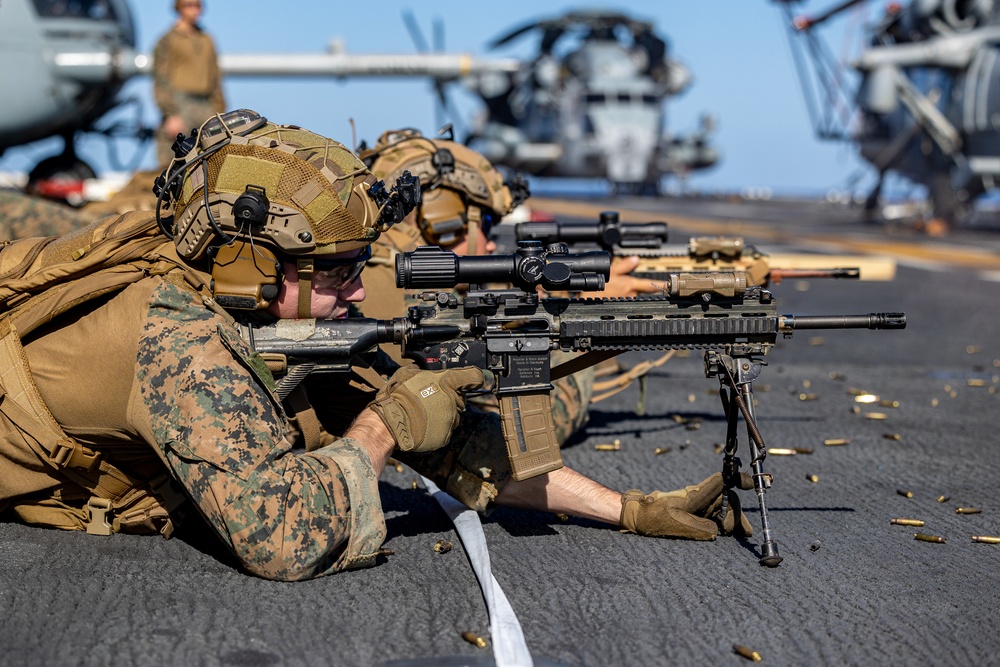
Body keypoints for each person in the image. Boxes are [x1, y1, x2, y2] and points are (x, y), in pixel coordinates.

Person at [0, 110, 751, 582]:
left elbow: (452, 449)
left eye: (360, 267)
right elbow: (282, 538)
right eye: (337, 272)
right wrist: (384, 424)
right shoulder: (178, 340)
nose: (360, 289)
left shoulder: (247, 311)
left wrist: (629, 509)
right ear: (252, 264)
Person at [361, 128, 661, 443]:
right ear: (439, 223)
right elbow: (510, 427)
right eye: (486, 225)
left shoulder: (375, 271)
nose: (491, 245)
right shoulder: (396, 295)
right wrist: (578, 319)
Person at [153, 0, 226, 167]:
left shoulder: (207, 39)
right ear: (179, 8)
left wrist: (220, 111)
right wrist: (170, 113)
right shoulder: (168, 40)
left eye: (198, 5)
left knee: (212, 161)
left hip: (206, 105)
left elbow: (216, 77)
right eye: (189, 5)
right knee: (173, 163)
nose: (195, 10)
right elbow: (161, 80)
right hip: (180, 105)